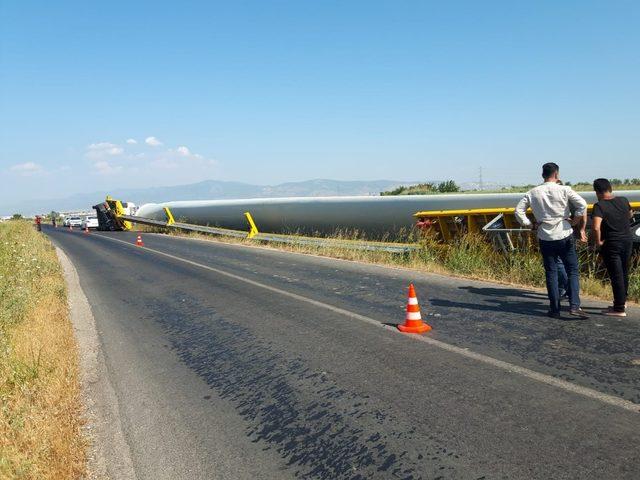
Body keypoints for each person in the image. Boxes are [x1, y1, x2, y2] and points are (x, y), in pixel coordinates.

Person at [515, 163, 589, 319]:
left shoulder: (532, 192)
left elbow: (518, 211)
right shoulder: (564, 189)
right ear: (556, 174)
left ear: (543, 175)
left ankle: (554, 308)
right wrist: (575, 221)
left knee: (551, 272)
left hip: (545, 236)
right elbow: (582, 204)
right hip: (564, 233)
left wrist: (530, 224)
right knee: (573, 270)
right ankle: (575, 305)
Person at [591, 178, 634, 317]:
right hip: (627, 240)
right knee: (624, 271)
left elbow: (596, 227)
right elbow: (630, 214)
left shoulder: (599, 206)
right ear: (610, 188)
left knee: (616, 275)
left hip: (612, 243)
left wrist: (598, 242)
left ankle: (619, 308)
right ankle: (623, 301)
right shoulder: (623, 200)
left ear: (597, 192)